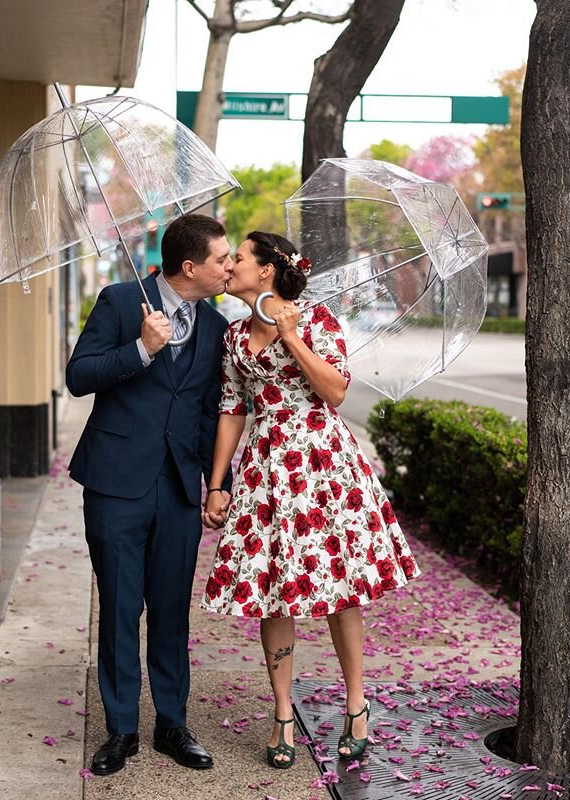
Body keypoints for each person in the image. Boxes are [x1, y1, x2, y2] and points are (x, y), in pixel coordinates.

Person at [201, 231, 420, 769]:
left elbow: (337, 391)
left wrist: (292, 337)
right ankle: (281, 716)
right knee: (274, 591)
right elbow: (232, 408)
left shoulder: (316, 320)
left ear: (268, 270)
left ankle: (356, 704)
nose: (230, 266)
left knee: (340, 586)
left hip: (322, 464)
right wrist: (217, 482)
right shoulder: (231, 337)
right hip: (265, 469)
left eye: (240, 259)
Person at [66, 214, 233, 776]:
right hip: (116, 483)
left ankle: (172, 723)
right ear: (190, 267)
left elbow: (210, 412)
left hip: (180, 487)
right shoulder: (119, 301)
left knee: (170, 611)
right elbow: (79, 375)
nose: (229, 266)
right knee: (119, 606)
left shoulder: (214, 326)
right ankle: (121, 730)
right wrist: (140, 349)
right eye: (222, 258)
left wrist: (217, 485)